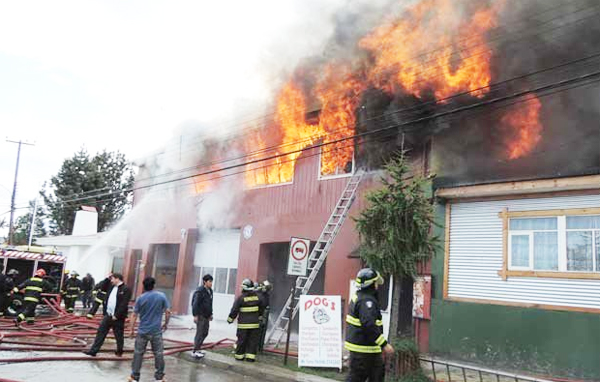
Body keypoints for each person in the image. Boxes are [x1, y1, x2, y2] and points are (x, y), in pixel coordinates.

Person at [345, 268, 394, 382]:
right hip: (364, 351)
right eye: (376, 282)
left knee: (376, 375)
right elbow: (369, 325)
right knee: (358, 377)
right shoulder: (367, 301)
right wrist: (384, 344)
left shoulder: (360, 296)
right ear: (371, 284)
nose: (377, 285)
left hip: (366, 350)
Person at [127, 277, 170, 382]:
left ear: (144, 286)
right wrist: (165, 323)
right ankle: (159, 377)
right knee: (158, 353)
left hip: (142, 331)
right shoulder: (161, 296)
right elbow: (168, 311)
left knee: (138, 353)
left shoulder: (140, 298)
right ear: (154, 285)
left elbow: (134, 315)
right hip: (156, 331)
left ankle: (134, 377)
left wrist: (131, 329)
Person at [84, 273, 131, 357]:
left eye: (112, 279)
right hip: (108, 315)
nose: (111, 281)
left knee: (118, 335)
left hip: (118, 317)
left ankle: (119, 351)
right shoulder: (111, 287)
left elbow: (124, 304)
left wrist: (116, 315)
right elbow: (104, 289)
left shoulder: (126, 289)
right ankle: (93, 351)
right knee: (101, 332)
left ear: (117, 279)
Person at [227, 278, 264, 362]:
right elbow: (262, 309)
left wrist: (230, 319)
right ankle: (250, 358)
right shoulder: (258, 298)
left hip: (243, 325)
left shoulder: (241, 298)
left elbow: (234, 310)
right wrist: (259, 316)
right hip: (255, 325)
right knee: (252, 342)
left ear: (244, 288)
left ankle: (239, 357)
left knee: (241, 341)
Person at [191, 274, 213, 359]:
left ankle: (198, 348)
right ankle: (195, 351)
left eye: (211, 281)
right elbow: (195, 303)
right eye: (209, 281)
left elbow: (210, 303)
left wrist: (211, 314)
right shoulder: (200, 291)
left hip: (207, 316)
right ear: (205, 281)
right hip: (200, 315)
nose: (211, 283)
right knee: (199, 333)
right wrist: (195, 315)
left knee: (205, 332)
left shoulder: (210, 291)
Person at [256, 280, 271, 352]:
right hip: (259, 317)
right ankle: (256, 348)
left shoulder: (265, 295)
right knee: (257, 333)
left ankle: (260, 348)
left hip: (263, 317)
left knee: (262, 332)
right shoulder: (258, 295)